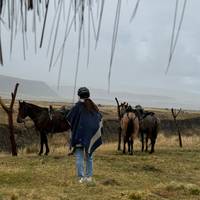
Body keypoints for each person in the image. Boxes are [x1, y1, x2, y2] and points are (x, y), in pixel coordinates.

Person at [66, 87, 103, 183]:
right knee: (89, 156)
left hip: (78, 135)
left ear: (79, 95)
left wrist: (76, 126)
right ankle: (89, 177)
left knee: (79, 157)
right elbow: (99, 119)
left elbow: (69, 119)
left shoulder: (77, 106)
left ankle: (81, 177)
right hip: (90, 136)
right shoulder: (93, 106)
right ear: (88, 95)